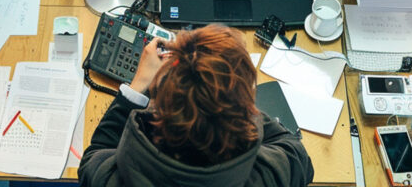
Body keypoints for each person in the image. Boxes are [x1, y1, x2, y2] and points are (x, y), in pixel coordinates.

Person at [79, 24, 314, 186]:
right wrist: (231, 93)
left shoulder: (111, 179)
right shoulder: (269, 174)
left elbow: (94, 156)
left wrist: (138, 84)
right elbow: (296, 153)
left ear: (160, 110)